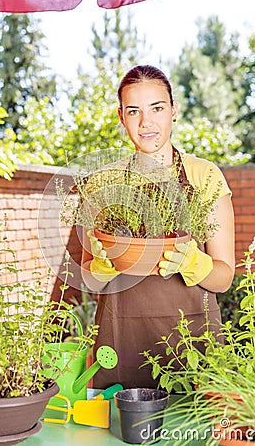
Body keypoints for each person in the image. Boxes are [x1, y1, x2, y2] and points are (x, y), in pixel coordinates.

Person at [80, 65, 235, 389]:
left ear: (173, 110)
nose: (146, 122)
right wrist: (100, 267)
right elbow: (87, 280)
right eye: (134, 110)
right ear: (121, 116)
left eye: (157, 108)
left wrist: (195, 263)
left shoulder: (204, 176)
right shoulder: (103, 182)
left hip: (193, 346)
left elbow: (224, 277)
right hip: (121, 345)